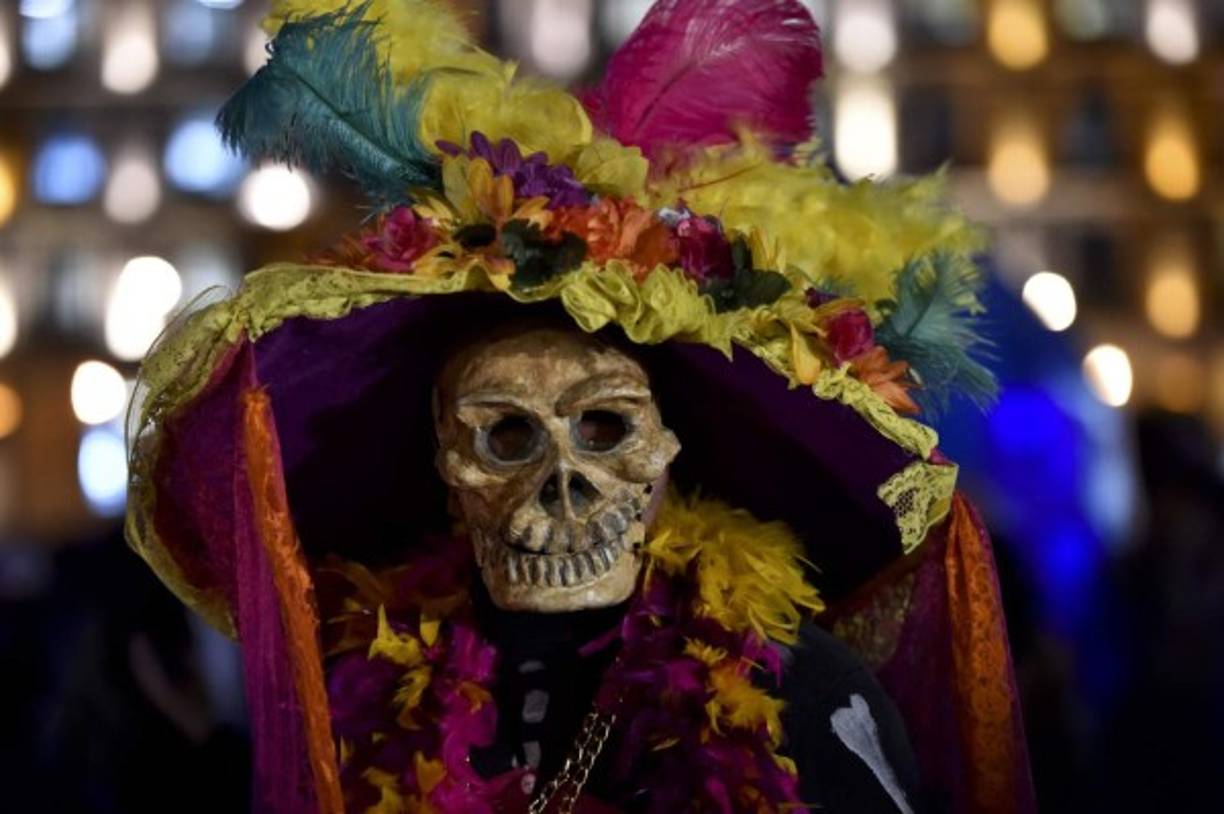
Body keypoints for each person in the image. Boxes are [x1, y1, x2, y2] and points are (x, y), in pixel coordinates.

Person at [125, 2, 1033, 811]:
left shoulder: (799, 693)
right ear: (449, 471)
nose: (565, 485)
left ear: (666, 455)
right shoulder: (369, 698)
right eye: (505, 437)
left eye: (607, 429)